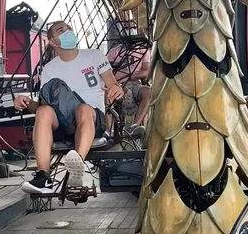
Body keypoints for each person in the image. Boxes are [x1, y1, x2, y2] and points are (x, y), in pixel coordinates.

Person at [14, 22, 124, 194]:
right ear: (53, 42)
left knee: (83, 109)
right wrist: (27, 102)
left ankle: (76, 168)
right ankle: (43, 177)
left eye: (69, 28)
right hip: (63, 124)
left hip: (92, 120)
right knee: (43, 111)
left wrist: (116, 90)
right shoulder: (49, 68)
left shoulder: (94, 55)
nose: (68, 32)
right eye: (61, 31)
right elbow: (42, 106)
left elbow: (112, 84)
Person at [107, 38, 151, 129]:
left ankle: (135, 127)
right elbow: (107, 73)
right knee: (108, 93)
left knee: (148, 92)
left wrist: (129, 76)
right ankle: (109, 130)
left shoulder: (143, 51)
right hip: (117, 84)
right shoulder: (113, 52)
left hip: (135, 84)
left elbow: (146, 72)